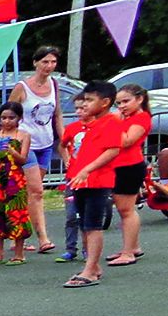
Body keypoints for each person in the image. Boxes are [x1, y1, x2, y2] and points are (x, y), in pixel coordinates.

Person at [61, 80, 128, 289]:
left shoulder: (111, 122)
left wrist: (87, 169)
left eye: (90, 100)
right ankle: (93, 266)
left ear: (105, 102)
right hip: (81, 180)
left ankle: (90, 270)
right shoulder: (90, 124)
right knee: (85, 224)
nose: (86, 105)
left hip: (98, 181)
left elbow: (112, 150)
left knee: (93, 225)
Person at [8, 47, 64, 254]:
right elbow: (8, 116)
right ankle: (43, 237)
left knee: (28, 193)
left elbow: (57, 114)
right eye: (45, 62)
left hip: (46, 143)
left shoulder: (54, 84)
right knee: (37, 191)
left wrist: (63, 138)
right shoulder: (22, 87)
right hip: (26, 144)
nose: (49, 66)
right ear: (35, 63)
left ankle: (17, 236)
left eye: (53, 62)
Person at [104, 84, 153, 268]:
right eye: (119, 103)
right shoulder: (128, 117)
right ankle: (132, 247)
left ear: (139, 99)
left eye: (126, 101)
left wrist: (113, 123)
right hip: (120, 166)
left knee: (127, 210)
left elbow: (127, 141)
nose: (122, 106)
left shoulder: (141, 118)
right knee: (125, 209)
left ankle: (128, 252)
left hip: (129, 166)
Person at [0, 105, 33, 264]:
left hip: (15, 178)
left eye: (11, 118)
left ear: (19, 119)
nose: (7, 121)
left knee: (16, 212)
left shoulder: (23, 136)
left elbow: (23, 160)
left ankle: (19, 254)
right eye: (4, 118)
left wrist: (12, 151)